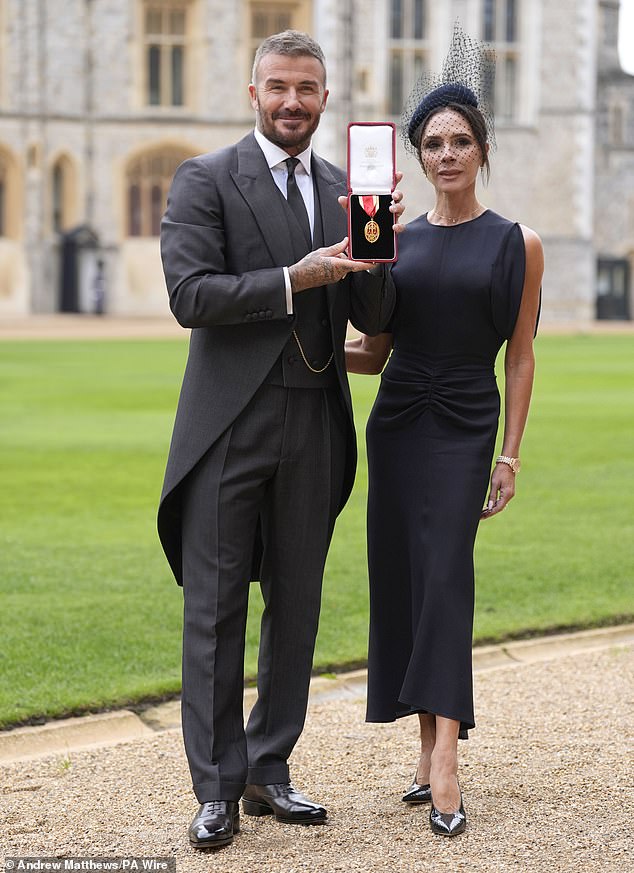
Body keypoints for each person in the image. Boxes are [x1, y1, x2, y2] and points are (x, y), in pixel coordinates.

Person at [158, 30, 404, 850]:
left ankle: (269, 769)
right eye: (278, 87)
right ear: (253, 93)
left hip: (316, 421)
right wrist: (298, 277)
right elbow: (191, 294)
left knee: (296, 605)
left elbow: (374, 319)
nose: (292, 101)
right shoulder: (205, 179)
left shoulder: (344, 186)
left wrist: (380, 253)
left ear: (326, 99)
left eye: (307, 88)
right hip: (230, 421)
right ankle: (218, 787)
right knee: (217, 607)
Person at [345, 29, 543, 838]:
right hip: (397, 422)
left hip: (466, 425)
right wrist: (303, 342)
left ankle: (450, 756)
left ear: (483, 149)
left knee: (446, 577)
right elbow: (373, 351)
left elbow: (522, 360)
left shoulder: (517, 243)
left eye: (460, 139)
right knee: (405, 577)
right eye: (432, 142)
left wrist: (509, 453)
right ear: (416, 157)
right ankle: (425, 752)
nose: (447, 152)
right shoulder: (394, 240)